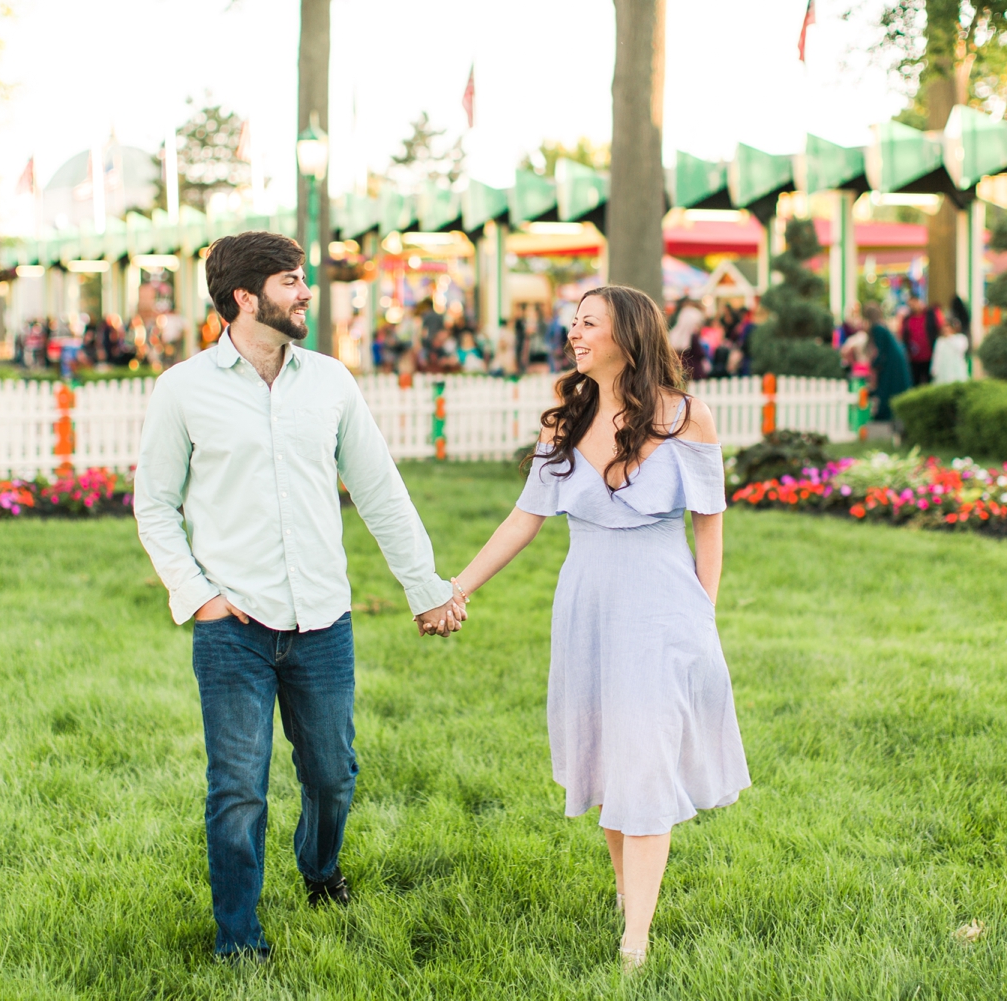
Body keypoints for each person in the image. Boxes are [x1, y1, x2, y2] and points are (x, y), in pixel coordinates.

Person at [134, 231, 467, 963]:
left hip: (322, 621)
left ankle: (319, 869)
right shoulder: (183, 389)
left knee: (331, 774)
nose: (306, 292)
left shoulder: (331, 383)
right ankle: (238, 938)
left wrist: (426, 589)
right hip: (234, 627)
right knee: (237, 788)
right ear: (245, 298)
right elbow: (154, 503)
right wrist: (199, 597)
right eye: (291, 281)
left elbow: (380, 491)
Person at [448, 284, 749, 972]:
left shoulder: (689, 417)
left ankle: (635, 940)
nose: (573, 334)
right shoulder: (564, 422)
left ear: (628, 336)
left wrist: (703, 613)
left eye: (588, 324)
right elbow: (523, 519)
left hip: (662, 607)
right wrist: (456, 588)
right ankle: (626, 895)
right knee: (614, 761)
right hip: (587, 607)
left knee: (645, 758)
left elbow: (710, 524)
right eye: (572, 324)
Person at [866, 302, 912, 422]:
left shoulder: (877, 328)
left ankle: (884, 415)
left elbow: (881, 351)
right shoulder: (881, 326)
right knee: (892, 386)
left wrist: (873, 365)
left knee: (888, 387)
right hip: (894, 359)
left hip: (892, 361)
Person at [931, 315, 970, 384]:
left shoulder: (960, 339)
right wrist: (934, 370)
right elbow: (937, 356)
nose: (945, 329)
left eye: (948, 327)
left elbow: (961, 348)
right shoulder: (940, 341)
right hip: (943, 370)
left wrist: (949, 337)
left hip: (956, 370)